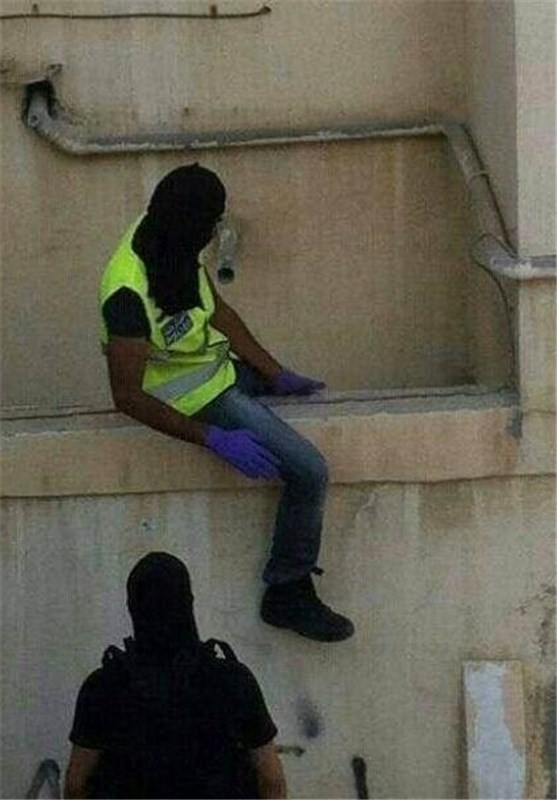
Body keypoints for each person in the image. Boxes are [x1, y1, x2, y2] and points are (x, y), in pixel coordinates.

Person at [99, 164, 354, 643]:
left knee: (305, 407)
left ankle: (289, 589)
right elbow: (127, 396)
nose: (215, 232)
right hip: (192, 401)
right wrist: (212, 437)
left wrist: (275, 373)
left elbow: (217, 311)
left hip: (219, 371)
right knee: (309, 470)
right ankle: (288, 590)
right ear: (190, 222)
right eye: (212, 222)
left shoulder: (172, 239)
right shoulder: (127, 294)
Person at [65, 552, 287, 799]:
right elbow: (271, 779)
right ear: (188, 602)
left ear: (133, 607)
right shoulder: (233, 681)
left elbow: (76, 784)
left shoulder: (102, 687)